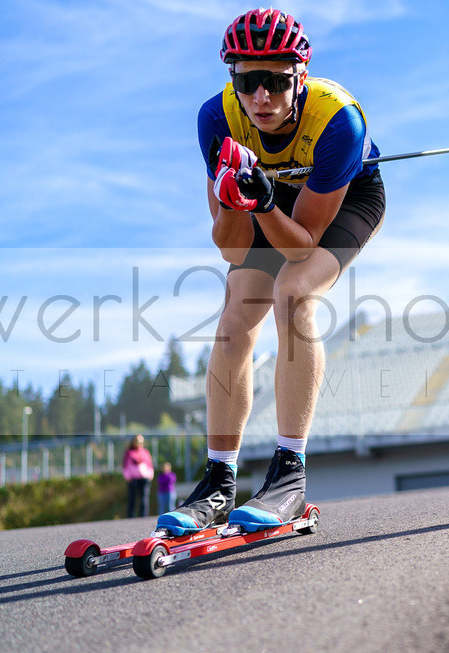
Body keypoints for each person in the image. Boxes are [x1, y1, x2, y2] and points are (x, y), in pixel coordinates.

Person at [157, 9, 385, 535]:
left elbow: (302, 245)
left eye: (276, 81)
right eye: (247, 80)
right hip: (268, 197)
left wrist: (262, 205)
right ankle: (219, 480)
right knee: (236, 319)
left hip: (341, 200)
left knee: (292, 294)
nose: (260, 97)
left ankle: (289, 471)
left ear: (300, 76)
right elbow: (231, 250)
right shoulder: (215, 119)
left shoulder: (340, 122)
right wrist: (236, 198)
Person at [122, 435, 154, 518]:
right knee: (132, 499)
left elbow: (149, 464)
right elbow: (125, 466)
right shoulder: (129, 453)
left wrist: (150, 474)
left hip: (144, 478)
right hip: (133, 479)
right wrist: (127, 477)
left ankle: (143, 517)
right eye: (137, 441)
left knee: (144, 499)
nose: (139, 444)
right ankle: (130, 517)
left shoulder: (145, 452)